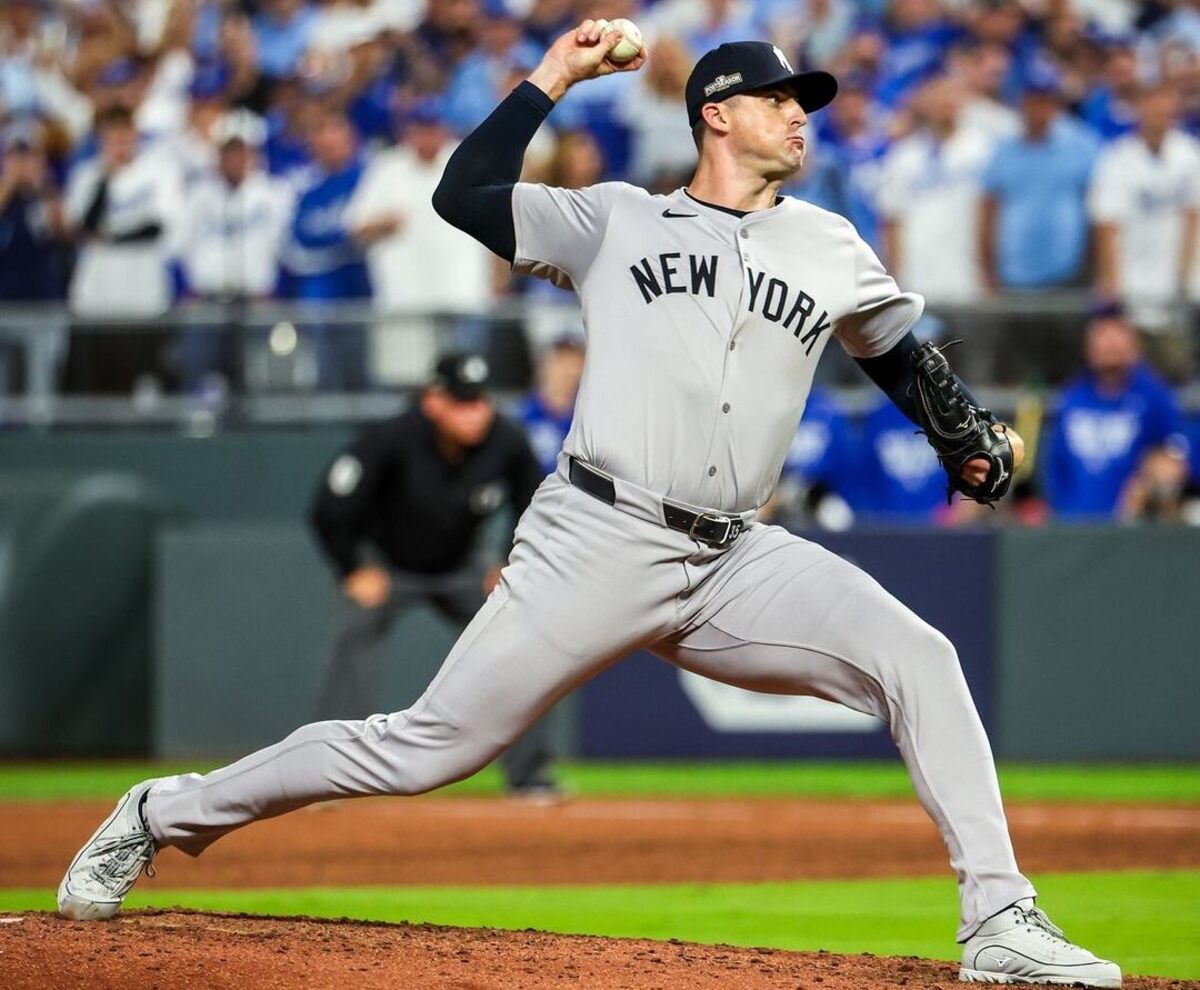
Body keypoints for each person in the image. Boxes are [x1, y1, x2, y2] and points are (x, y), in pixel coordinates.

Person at [58, 26, 1121, 989]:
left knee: (919, 656)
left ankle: (998, 919)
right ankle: (163, 811)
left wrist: (965, 441)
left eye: (809, 100)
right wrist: (553, 77)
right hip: (599, 535)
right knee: (425, 746)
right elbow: (462, 196)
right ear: (717, 111)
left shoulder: (830, 242)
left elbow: (896, 355)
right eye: (780, 97)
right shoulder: (616, 219)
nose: (802, 113)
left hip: (738, 557)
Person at [309, 352, 561, 796]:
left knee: (521, 645)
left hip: (463, 567)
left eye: (480, 401)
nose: (476, 413)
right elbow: (329, 508)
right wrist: (352, 568)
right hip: (389, 568)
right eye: (463, 403)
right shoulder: (390, 438)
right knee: (351, 648)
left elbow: (535, 504)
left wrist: (510, 560)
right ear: (433, 401)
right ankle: (323, 778)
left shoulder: (506, 440)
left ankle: (530, 776)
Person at [343, 96, 493, 383]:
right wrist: (382, 223)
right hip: (405, 302)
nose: (428, 135)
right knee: (408, 387)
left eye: (433, 127)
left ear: (445, 129)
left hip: (461, 297)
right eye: (421, 128)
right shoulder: (388, 168)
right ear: (409, 131)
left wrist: (498, 280)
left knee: (465, 383)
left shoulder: (467, 161)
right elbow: (354, 228)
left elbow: (498, 221)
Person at [62, 106, 183, 393]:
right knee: (95, 390)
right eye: (112, 138)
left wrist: (111, 239)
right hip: (95, 302)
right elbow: (82, 227)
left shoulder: (159, 171)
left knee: (142, 390)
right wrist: (106, 179)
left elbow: (157, 227)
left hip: (143, 301)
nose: (119, 145)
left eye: (124, 137)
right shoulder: (87, 176)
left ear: (136, 136)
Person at [174, 109, 294, 393]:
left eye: (242, 152)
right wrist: (186, 292)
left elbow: (289, 252)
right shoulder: (198, 196)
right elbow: (177, 251)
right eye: (229, 152)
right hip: (208, 302)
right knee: (199, 382)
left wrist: (279, 292)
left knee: (262, 383)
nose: (235, 159)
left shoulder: (276, 194)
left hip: (257, 302)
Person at [1088, 85, 1200, 378]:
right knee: (1133, 371)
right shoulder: (1119, 158)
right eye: (1152, 109)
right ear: (1140, 111)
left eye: (1164, 111)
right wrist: (1112, 284)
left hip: (1178, 289)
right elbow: (1106, 225)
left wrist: (1184, 273)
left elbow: (1192, 215)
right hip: (1133, 287)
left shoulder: (1187, 153)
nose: (1158, 116)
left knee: (1179, 371)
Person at [1045, 302, 1190, 521]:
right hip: (1074, 523)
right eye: (1102, 334)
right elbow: (1055, 466)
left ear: (1134, 345)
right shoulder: (1073, 397)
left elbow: (1174, 460)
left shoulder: (1153, 396)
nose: (1110, 342)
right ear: (1089, 347)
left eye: (1117, 333)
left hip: (1129, 529)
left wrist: (1146, 484)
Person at [978, 65, 1099, 293]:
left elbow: (1096, 209)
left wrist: (1094, 269)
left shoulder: (1081, 145)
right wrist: (988, 271)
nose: (1040, 109)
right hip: (1013, 277)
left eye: (1046, 101)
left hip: (1069, 275)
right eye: (1033, 100)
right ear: (1021, 103)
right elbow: (988, 213)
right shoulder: (1003, 152)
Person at [877, 75, 995, 305]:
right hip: (916, 282)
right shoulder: (904, 156)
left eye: (951, 95)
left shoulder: (984, 150)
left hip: (970, 280)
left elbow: (993, 217)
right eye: (938, 97)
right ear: (925, 104)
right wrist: (895, 278)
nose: (945, 103)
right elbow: (891, 220)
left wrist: (990, 273)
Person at [278, 105, 371, 390]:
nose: (328, 139)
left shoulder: (372, 174)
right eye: (319, 132)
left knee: (367, 371)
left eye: (334, 130)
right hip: (321, 290)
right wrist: (348, 236)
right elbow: (298, 242)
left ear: (351, 135)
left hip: (366, 285)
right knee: (326, 375)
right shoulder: (303, 186)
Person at [516, 334, 585, 475]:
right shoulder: (522, 415)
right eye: (561, 361)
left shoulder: (587, 419)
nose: (569, 371)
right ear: (545, 363)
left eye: (575, 362)